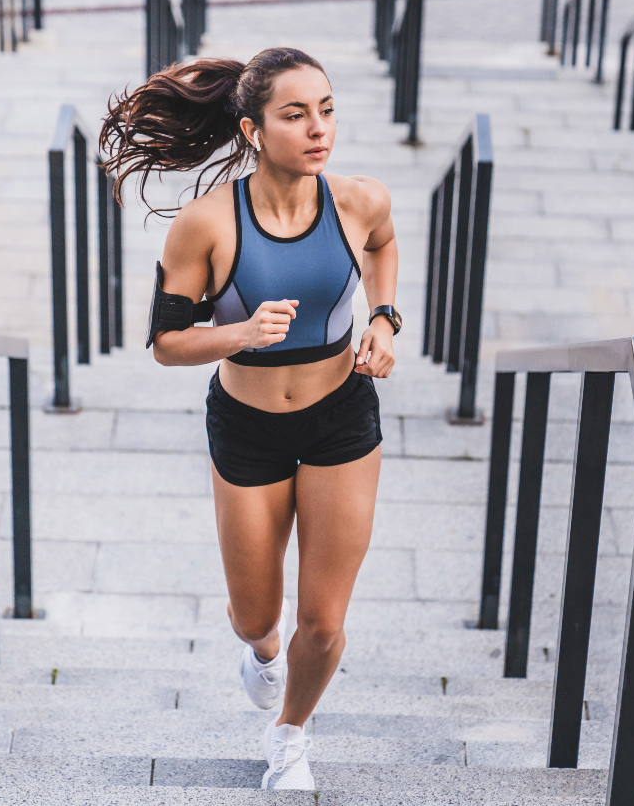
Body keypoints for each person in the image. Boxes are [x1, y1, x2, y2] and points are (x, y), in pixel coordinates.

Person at [100, 47, 401, 791]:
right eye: (295, 114)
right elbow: (166, 342)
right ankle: (265, 653)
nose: (317, 128)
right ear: (254, 128)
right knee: (252, 614)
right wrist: (240, 332)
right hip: (247, 427)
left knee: (324, 621)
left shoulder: (359, 201)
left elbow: (384, 245)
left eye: (326, 109)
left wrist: (386, 321)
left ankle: (290, 734)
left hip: (341, 420)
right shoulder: (207, 226)